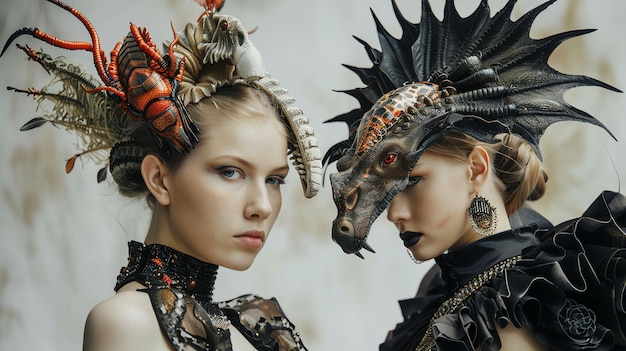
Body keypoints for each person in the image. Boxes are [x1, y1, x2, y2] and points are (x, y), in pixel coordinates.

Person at [1, 0, 322, 350]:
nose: (262, 206)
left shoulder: (258, 324)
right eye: (230, 172)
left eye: (274, 179)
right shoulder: (127, 324)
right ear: (159, 179)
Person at [323, 0, 626, 350]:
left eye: (412, 181)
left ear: (476, 168)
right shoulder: (443, 293)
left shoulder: (519, 303)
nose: (394, 214)